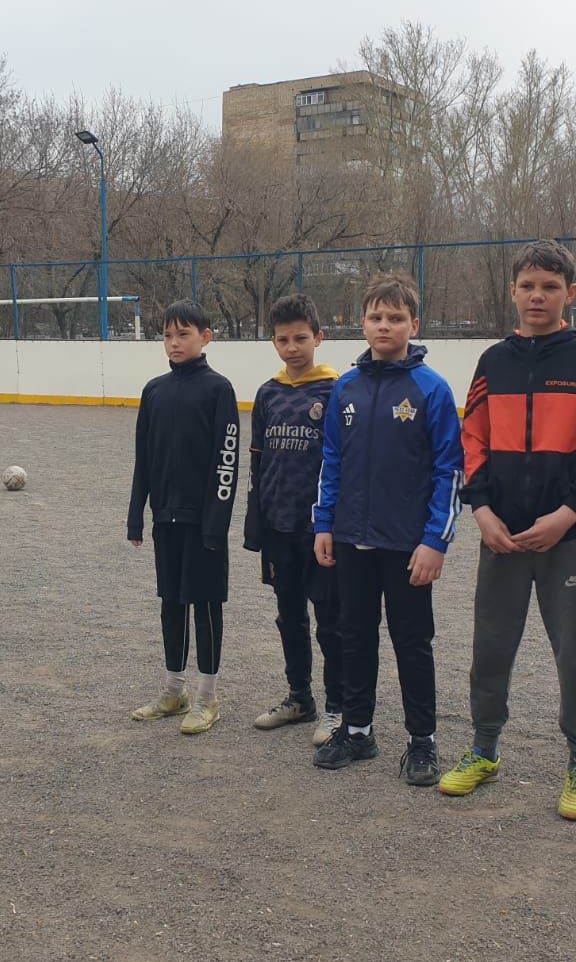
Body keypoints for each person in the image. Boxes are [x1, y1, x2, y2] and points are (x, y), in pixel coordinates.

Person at [438, 239, 576, 820]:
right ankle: (484, 749)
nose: (537, 296)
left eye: (550, 286)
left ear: (570, 293)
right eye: (528, 286)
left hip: (565, 537)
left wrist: (569, 512)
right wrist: (481, 510)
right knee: (491, 646)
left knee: (574, 654)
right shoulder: (492, 363)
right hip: (501, 534)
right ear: (513, 292)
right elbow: (472, 438)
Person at [312, 272, 463, 786]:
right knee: (354, 635)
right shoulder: (346, 388)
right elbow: (332, 460)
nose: (384, 325)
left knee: (412, 642)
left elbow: (449, 470)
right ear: (363, 323)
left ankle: (422, 741)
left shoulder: (431, 389)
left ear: (413, 325)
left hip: (407, 546)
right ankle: (357, 731)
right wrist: (324, 523)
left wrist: (434, 541)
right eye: (375, 317)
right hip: (351, 537)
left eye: (395, 318)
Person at [127, 300, 240, 735]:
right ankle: (175, 691)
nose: (174, 343)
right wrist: (137, 516)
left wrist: (216, 525)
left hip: (203, 524)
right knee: (171, 604)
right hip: (165, 520)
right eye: (168, 335)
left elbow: (226, 462)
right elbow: (143, 458)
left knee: (206, 607)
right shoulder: (154, 390)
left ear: (205, 337)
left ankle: (208, 698)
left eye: (184, 334)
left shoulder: (218, 389)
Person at [242, 293, 344, 746]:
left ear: (318, 338)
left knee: (330, 620)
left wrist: (333, 522)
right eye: (283, 340)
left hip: (319, 530)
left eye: (300, 338)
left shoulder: (336, 391)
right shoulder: (268, 393)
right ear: (273, 342)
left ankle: (339, 706)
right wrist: (257, 520)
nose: (292, 348)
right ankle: (300, 697)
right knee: (289, 616)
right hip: (278, 526)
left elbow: (342, 464)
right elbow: (257, 461)